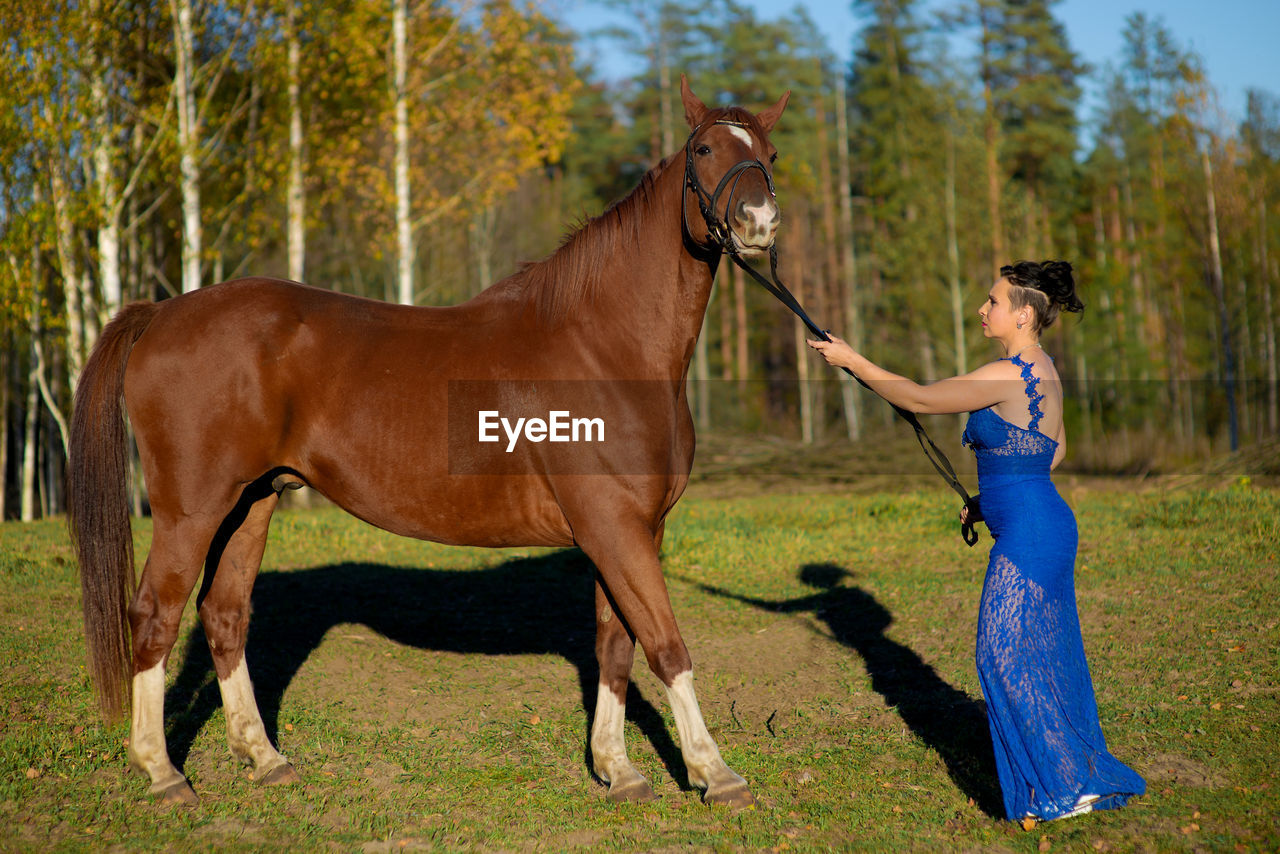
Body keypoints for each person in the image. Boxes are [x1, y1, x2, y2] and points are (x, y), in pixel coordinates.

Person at [808, 260, 1145, 825]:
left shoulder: (1009, 374)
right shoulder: (1044, 371)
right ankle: (1069, 777)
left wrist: (852, 360)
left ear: (1023, 313)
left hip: (1032, 534)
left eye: (992, 302)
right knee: (1038, 656)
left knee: (1000, 651)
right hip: (1044, 522)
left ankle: (1063, 784)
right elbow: (1052, 452)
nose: (982, 310)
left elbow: (916, 397)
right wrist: (992, 500)